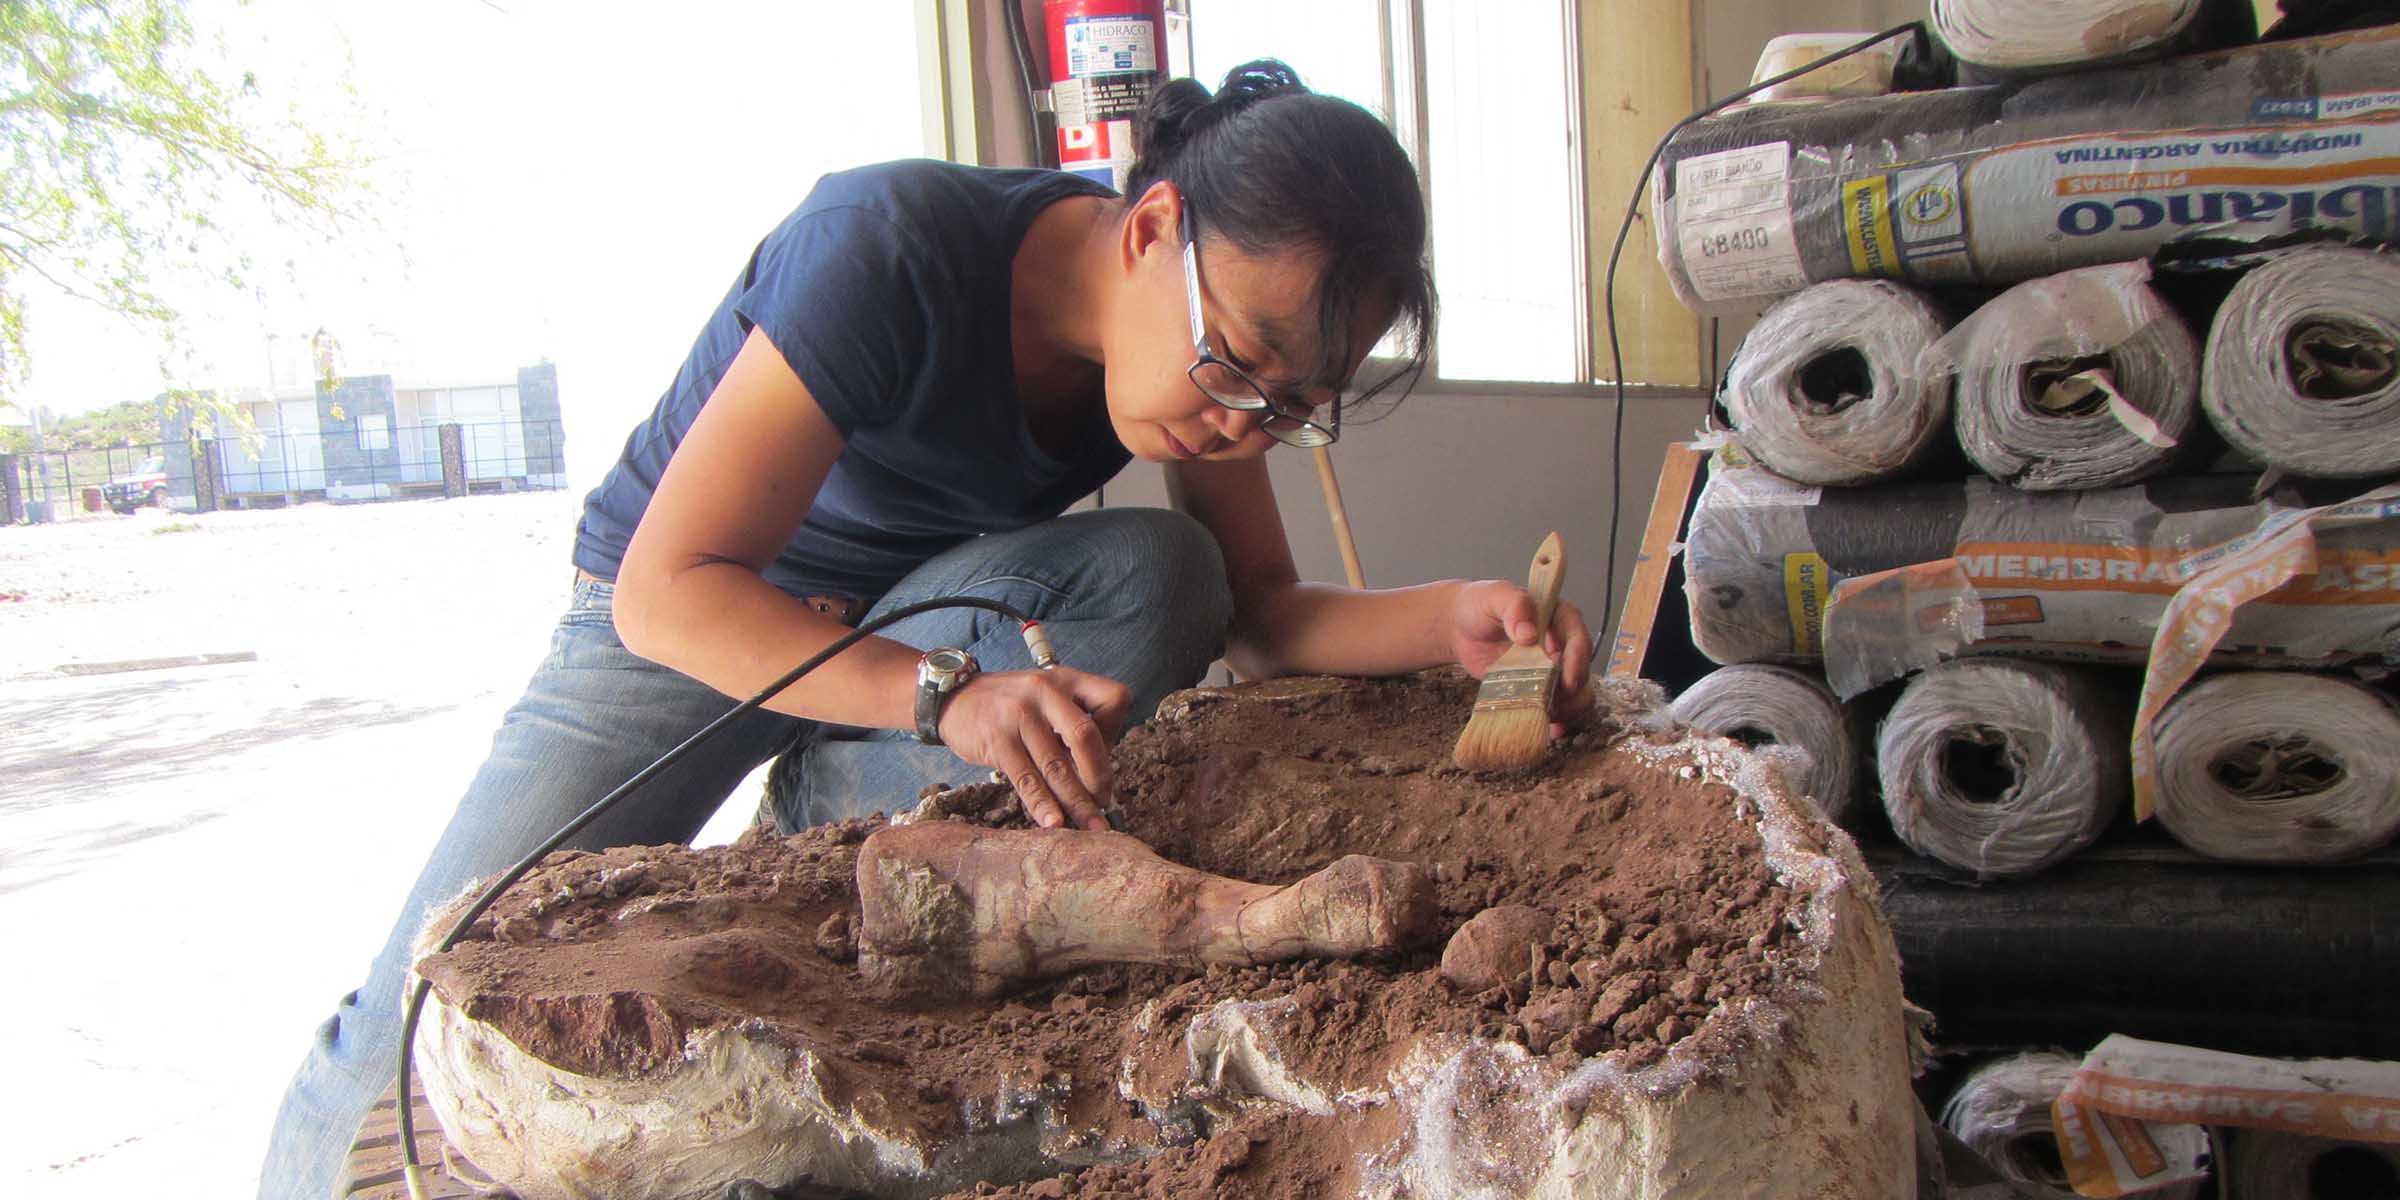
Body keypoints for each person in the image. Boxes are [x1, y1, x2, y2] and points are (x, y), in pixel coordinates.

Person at [257, 59, 1594, 1199]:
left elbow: (1262, 614)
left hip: (911, 629)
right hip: (688, 621)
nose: (1245, 422)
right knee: (432, 976)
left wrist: (1451, 619)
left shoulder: (1189, 371)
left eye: (1298, 403)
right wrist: (940, 694)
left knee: (1164, 566)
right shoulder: (886, 250)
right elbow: (667, 590)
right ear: (1152, 229)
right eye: (1237, 363)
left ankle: (828, 822)